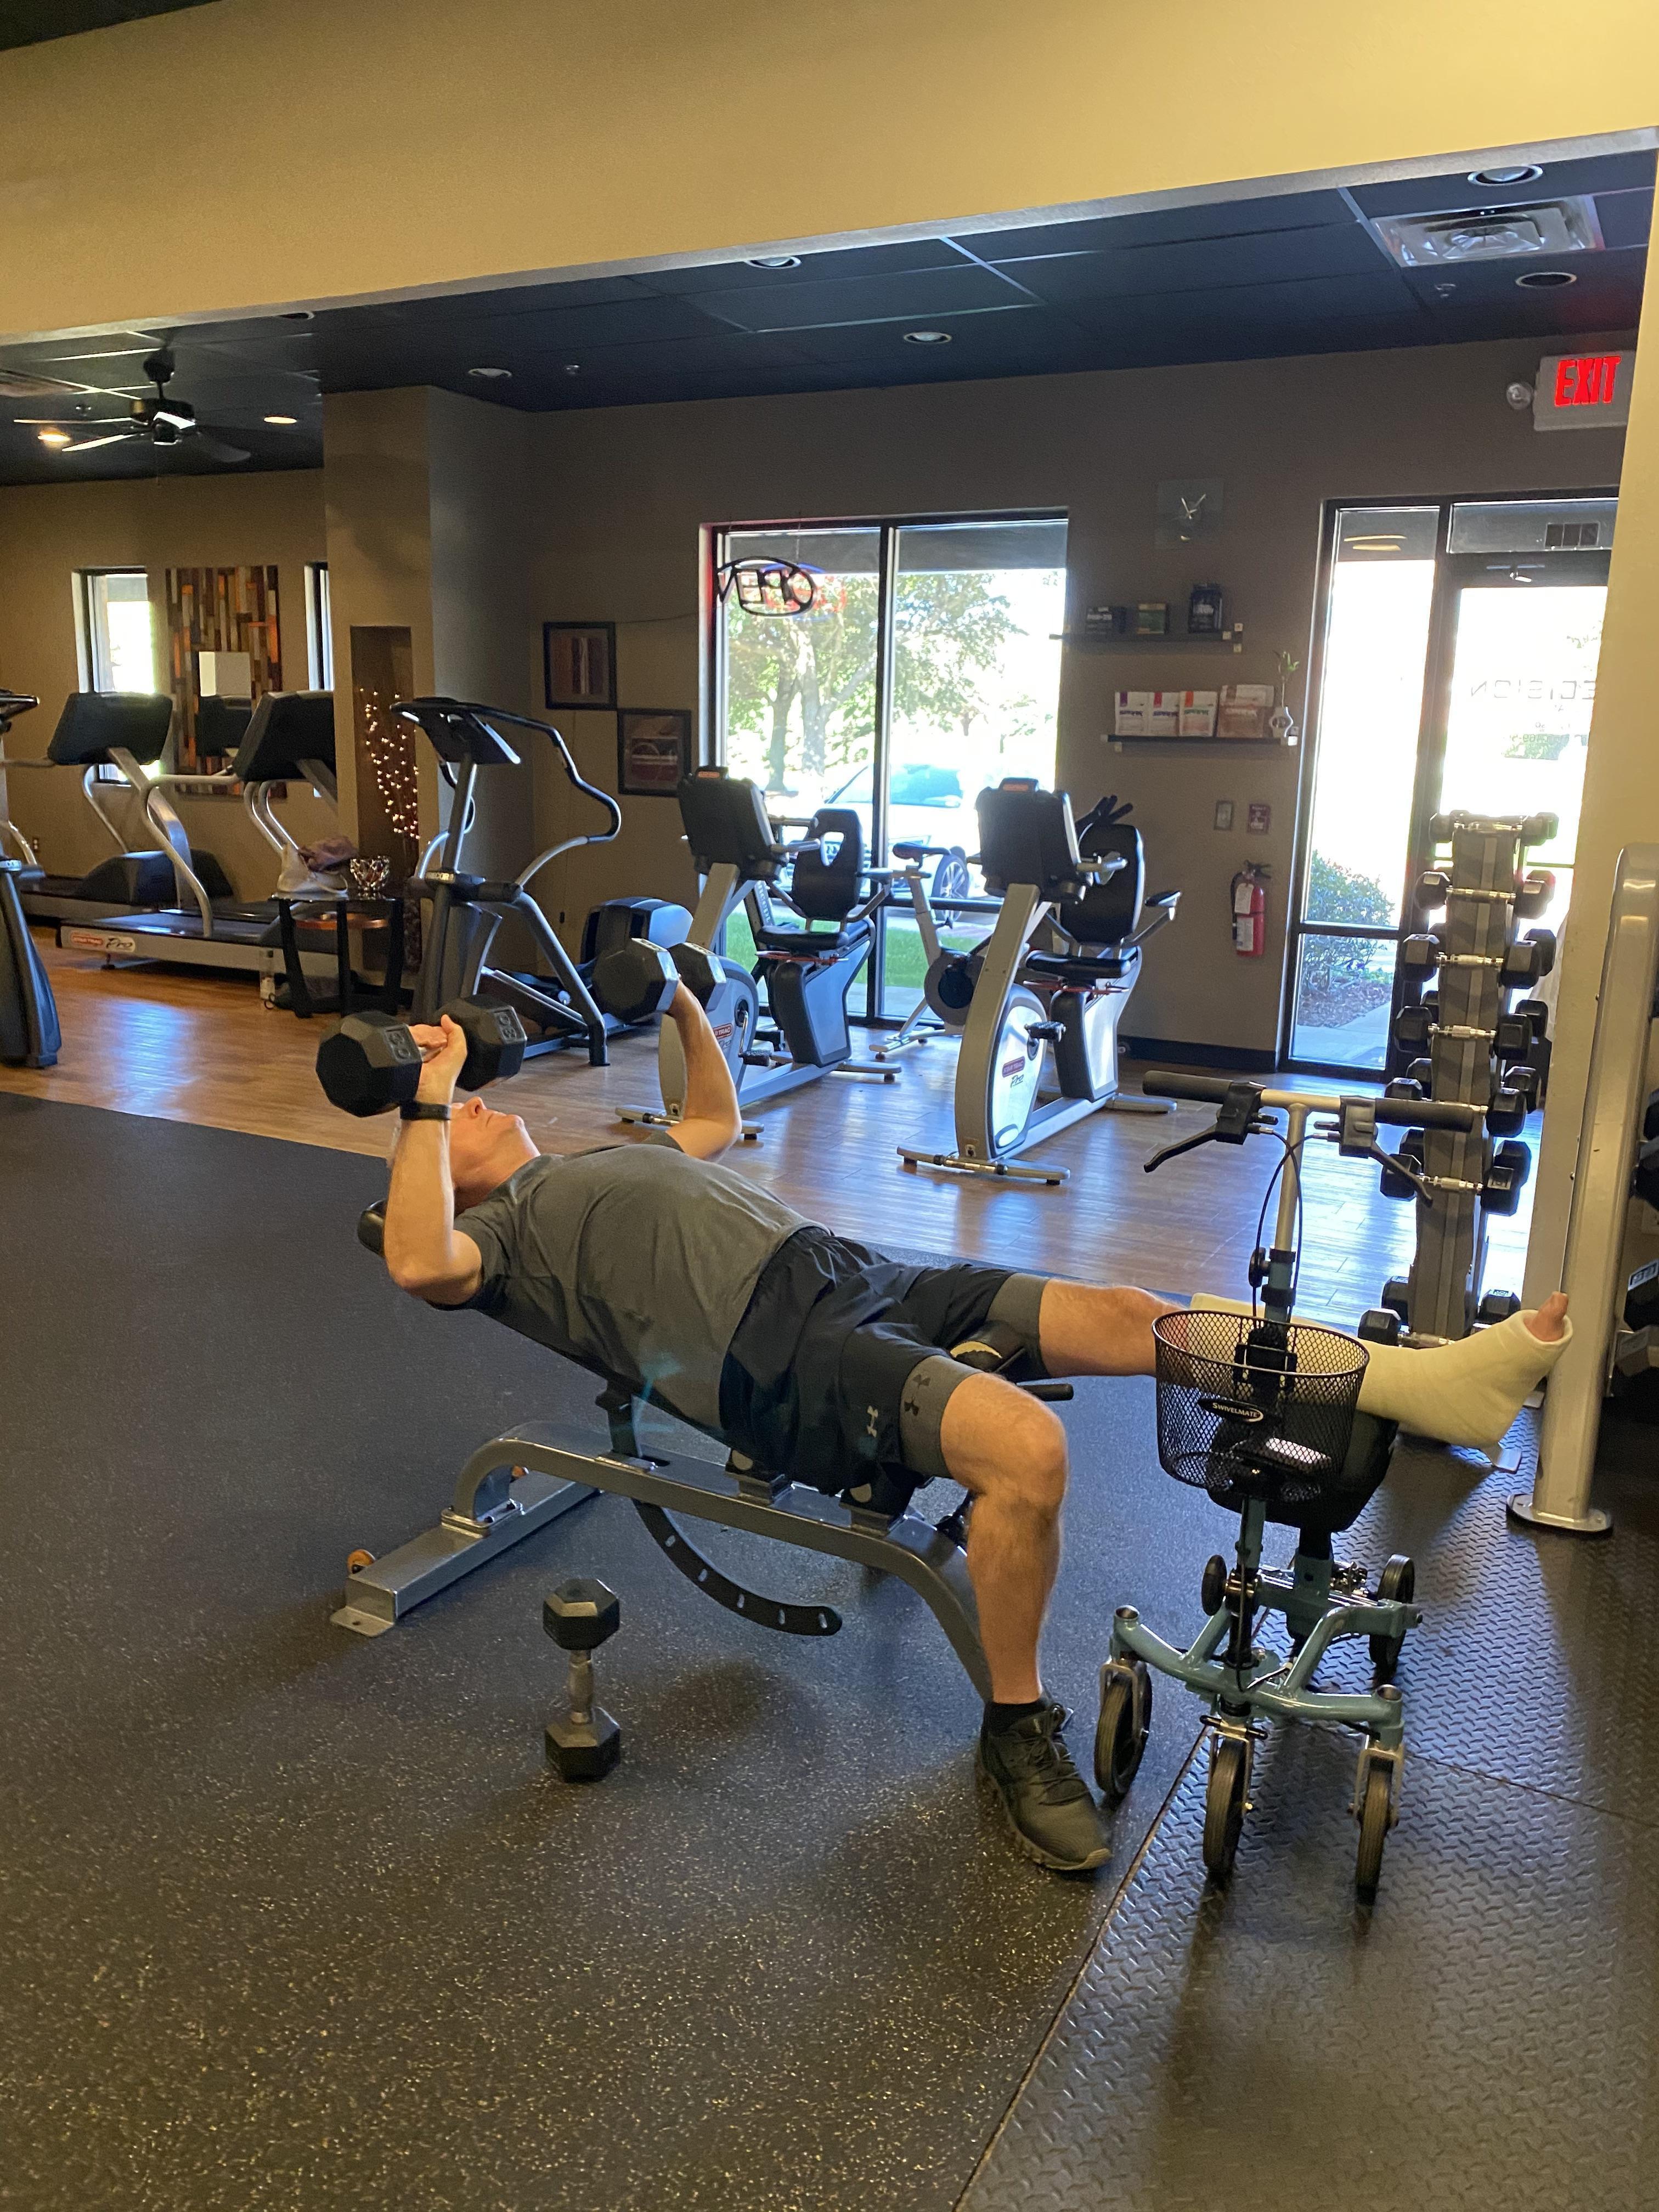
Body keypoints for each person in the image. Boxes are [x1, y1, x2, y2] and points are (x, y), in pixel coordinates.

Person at [381, 985, 1572, 1875]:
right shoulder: (503, 1243)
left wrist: (682, 989)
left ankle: (1423, 1387)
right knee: (1030, 1449)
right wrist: (424, 1097)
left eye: (472, 1095)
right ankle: (1013, 1725)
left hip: (858, 1276)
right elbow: (417, 1256)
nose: (483, 1100)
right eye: (465, 1115)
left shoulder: (606, 1163)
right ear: (447, 1169)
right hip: (783, 1360)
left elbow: (715, 1112)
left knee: (1128, 1312)